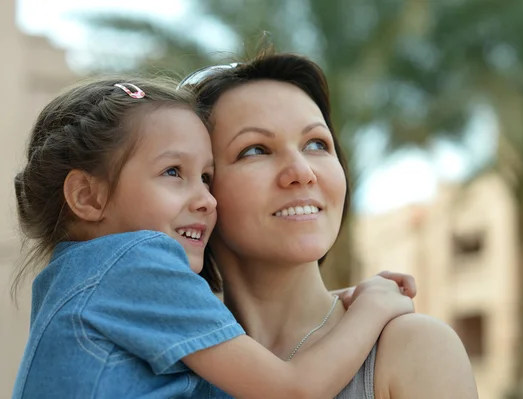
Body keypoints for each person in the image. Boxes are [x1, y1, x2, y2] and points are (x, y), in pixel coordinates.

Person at [10, 76, 417, 399]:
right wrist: (371, 307)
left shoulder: (78, 279)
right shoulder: (133, 260)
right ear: (88, 196)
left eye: (206, 177)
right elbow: (294, 391)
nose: (207, 199)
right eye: (173, 172)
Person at [181, 52, 479, 398]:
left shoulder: (413, 348)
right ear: (201, 186)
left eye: (316, 144)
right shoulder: (167, 358)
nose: (302, 173)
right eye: (255, 150)